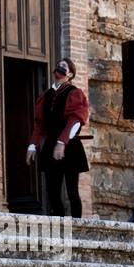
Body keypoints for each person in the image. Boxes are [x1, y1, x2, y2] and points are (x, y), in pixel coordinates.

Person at [27, 57, 90, 218]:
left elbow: (76, 119)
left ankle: (77, 227)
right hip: (50, 146)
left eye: (64, 66)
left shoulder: (74, 93)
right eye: (58, 65)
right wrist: (32, 146)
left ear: (70, 74)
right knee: (53, 192)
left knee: (71, 191)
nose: (59, 68)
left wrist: (62, 142)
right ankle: (60, 225)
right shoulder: (46, 96)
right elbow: (40, 124)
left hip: (70, 146)